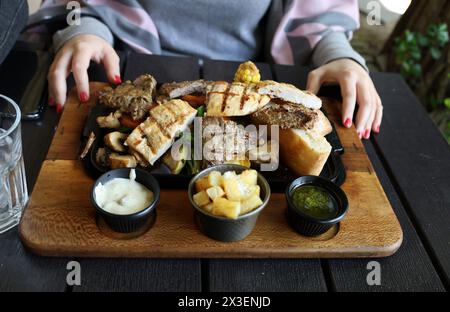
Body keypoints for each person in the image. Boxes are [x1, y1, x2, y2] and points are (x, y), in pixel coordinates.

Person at [32, 0, 382, 139]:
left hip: (242, 94)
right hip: (137, 75)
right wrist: (84, 30)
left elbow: (317, 18)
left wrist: (341, 57)